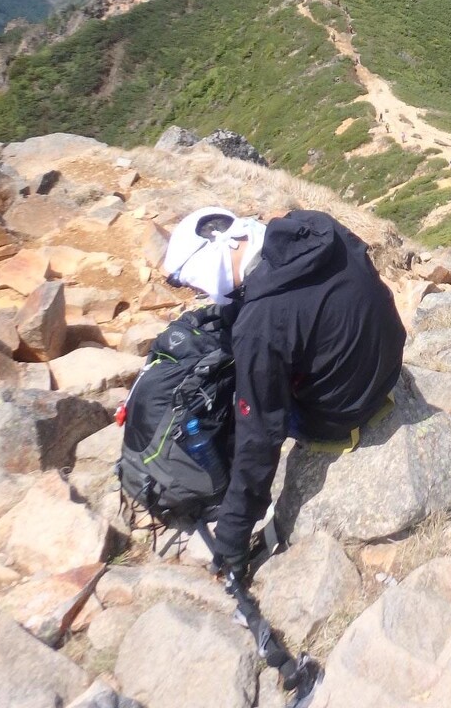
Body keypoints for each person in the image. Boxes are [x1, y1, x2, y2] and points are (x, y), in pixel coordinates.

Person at [164, 205, 406, 576]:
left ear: (210, 268)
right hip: (387, 362)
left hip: (345, 409)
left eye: (199, 286)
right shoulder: (312, 226)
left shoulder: (260, 325)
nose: (203, 295)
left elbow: (261, 436)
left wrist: (231, 538)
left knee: (246, 402)